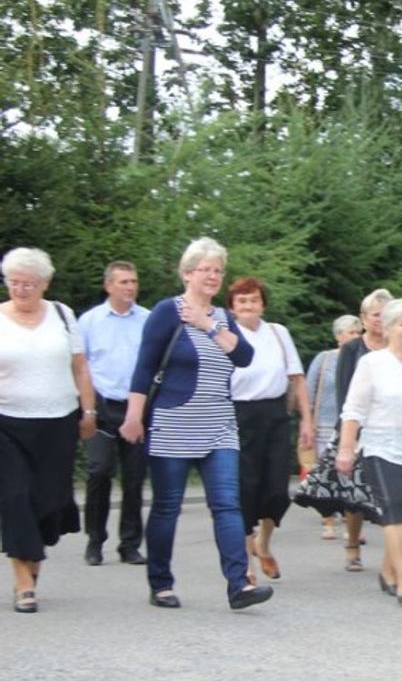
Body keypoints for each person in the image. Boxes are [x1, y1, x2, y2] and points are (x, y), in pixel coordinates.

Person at [120, 237, 272, 611]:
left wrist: (207, 324)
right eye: (206, 269)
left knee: (227, 504)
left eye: (218, 270)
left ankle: (239, 584)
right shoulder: (166, 311)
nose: (213, 276)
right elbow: (144, 367)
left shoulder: (221, 317)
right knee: (167, 506)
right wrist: (133, 416)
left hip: (219, 423)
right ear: (187, 273)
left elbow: (245, 356)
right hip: (174, 423)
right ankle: (161, 583)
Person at [0, 247, 96, 612]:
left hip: (58, 420)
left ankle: (32, 561)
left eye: (29, 283)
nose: (21, 289)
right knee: (15, 497)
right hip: (7, 422)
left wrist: (88, 410)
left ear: (45, 283)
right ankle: (23, 582)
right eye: (14, 282)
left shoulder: (62, 314)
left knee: (47, 501)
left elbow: (80, 367)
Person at [337, 299, 402, 608]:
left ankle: (386, 570)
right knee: (394, 511)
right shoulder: (373, 363)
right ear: (389, 327)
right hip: (382, 449)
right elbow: (353, 409)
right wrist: (346, 449)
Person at [227, 277, 314, 582]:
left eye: (253, 299)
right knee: (243, 488)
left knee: (277, 488)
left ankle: (263, 543)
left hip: (275, 414)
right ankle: (245, 564)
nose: (249, 305)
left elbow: (298, 378)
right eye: (242, 301)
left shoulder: (278, 333)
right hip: (238, 416)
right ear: (232, 307)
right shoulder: (225, 334)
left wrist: (307, 420)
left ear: (263, 304)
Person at [78, 261, 150, 567]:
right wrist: (86, 408)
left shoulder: (147, 319)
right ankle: (95, 540)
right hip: (102, 406)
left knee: (134, 479)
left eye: (133, 281)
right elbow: (80, 366)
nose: (130, 287)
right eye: (123, 282)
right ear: (108, 286)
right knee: (99, 471)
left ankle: (130, 544)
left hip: (136, 407)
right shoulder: (90, 321)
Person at [336, 288, 392, 571]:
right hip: (358, 428)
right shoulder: (351, 349)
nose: (381, 320)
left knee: (389, 494)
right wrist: (349, 433)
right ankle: (353, 543)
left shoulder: (399, 347)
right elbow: (344, 391)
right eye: (375, 315)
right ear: (364, 318)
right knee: (356, 494)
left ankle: (392, 558)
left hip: (389, 429)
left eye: (386, 314)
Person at [305, 314, 362, 539]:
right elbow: (309, 389)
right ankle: (328, 521)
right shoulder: (325, 359)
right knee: (327, 472)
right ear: (339, 336)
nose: (356, 337)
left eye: (358, 332)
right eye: (351, 332)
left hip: (352, 423)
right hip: (325, 423)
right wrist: (307, 422)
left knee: (350, 472)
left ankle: (351, 523)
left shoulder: (362, 360)